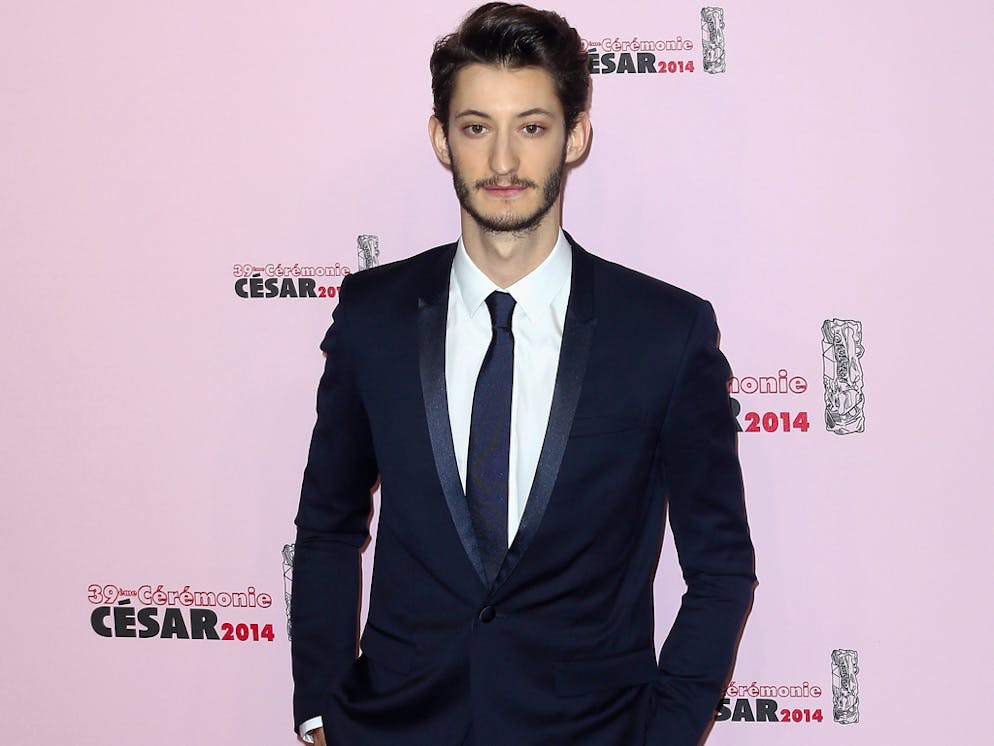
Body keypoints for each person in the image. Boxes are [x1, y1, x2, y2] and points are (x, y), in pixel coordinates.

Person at [290, 4, 756, 745]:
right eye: (477, 127)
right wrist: (319, 708)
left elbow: (722, 567)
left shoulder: (665, 334)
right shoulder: (372, 318)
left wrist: (663, 735)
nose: (503, 161)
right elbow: (326, 525)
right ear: (442, 139)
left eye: (532, 127)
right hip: (396, 729)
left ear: (576, 136)